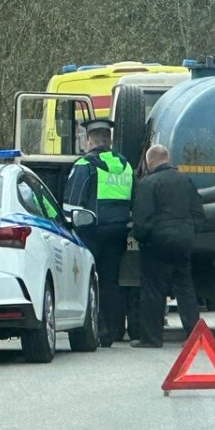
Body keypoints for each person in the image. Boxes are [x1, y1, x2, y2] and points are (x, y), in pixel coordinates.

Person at [65, 118, 133, 346]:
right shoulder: (125, 165)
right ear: (109, 140)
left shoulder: (85, 164)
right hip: (119, 231)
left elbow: (72, 202)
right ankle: (114, 330)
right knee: (111, 281)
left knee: (89, 280)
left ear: (89, 140)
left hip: (91, 231)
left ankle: (98, 330)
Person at [130, 144, 205, 347]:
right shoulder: (186, 181)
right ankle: (194, 336)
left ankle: (151, 338)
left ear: (149, 162)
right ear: (167, 159)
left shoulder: (148, 183)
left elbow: (142, 219)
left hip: (157, 242)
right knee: (185, 288)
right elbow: (199, 214)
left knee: (153, 289)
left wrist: (141, 238)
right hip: (184, 240)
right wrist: (190, 233)